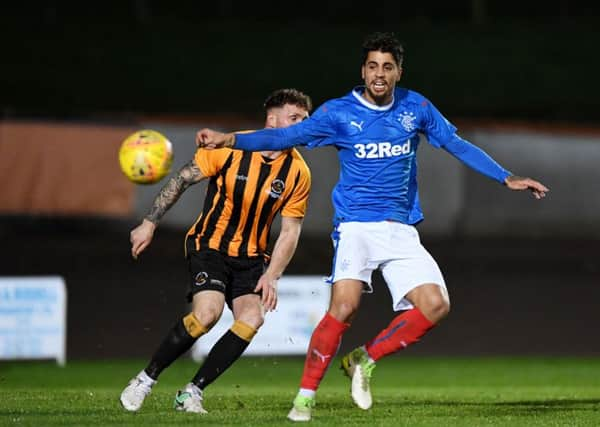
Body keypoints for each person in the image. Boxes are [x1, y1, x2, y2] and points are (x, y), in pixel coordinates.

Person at [196, 32, 549, 422]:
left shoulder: (417, 108)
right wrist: (228, 139)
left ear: (398, 72)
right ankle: (305, 398)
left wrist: (506, 177)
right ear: (363, 71)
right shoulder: (338, 113)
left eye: (387, 67)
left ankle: (364, 359)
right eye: (372, 66)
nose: (379, 74)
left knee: (436, 306)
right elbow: (284, 135)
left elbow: (456, 144)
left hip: (400, 228)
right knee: (344, 308)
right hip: (356, 228)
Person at [119, 88, 313, 414]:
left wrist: (273, 275)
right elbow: (182, 179)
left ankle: (191, 392)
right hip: (209, 244)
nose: (302, 126)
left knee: (252, 318)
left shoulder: (298, 173)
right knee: (207, 314)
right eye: (295, 119)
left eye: (305, 121)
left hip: (251, 257)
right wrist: (150, 222)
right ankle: (145, 379)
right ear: (272, 120)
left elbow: (291, 231)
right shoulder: (230, 147)